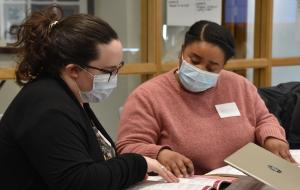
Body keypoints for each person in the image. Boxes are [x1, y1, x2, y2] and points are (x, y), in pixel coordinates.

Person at [0, 6, 178, 190]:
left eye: (118, 68)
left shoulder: (68, 96)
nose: (114, 77)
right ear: (73, 70)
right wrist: (139, 163)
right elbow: (79, 181)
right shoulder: (47, 106)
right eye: (109, 71)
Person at [116, 20, 296, 177]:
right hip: (189, 182)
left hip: (246, 178)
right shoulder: (148, 96)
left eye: (212, 68)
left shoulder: (238, 85)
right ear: (181, 52)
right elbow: (128, 146)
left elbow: (264, 119)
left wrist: (272, 138)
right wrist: (160, 154)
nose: (201, 70)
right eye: (194, 60)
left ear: (223, 67)